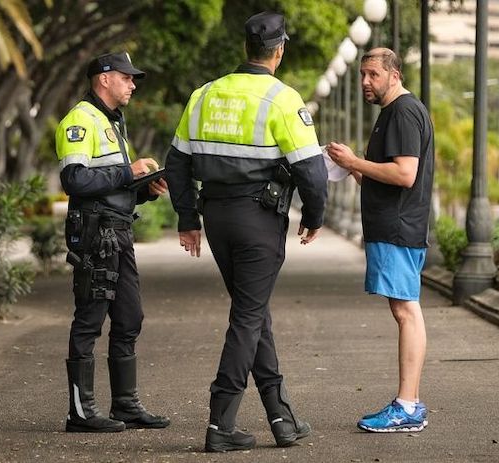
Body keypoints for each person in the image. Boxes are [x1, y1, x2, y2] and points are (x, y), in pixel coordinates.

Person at [164, 12, 328, 452]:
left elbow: (176, 162)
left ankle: (282, 418)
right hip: (259, 220)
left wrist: (186, 218)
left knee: (254, 313)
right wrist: (314, 216)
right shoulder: (282, 98)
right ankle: (220, 424)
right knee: (248, 317)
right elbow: (311, 171)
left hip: (216, 217)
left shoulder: (204, 95)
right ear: (279, 51)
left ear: (245, 49)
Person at [56, 51, 170, 433]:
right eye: (127, 78)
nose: (133, 84)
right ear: (104, 79)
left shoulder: (113, 123)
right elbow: (74, 181)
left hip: (118, 229)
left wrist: (145, 189)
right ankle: (80, 413)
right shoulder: (80, 120)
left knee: (129, 316)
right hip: (94, 233)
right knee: (89, 318)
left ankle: (125, 405)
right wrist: (127, 172)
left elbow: (114, 188)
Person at [326, 47, 434, 433]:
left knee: (406, 311)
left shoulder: (403, 112)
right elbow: (383, 178)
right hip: (394, 226)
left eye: (373, 74)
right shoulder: (393, 114)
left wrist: (355, 161)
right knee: (405, 310)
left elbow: (405, 174)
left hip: (398, 228)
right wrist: (349, 166)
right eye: (362, 75)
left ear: (395, 74)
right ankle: (411, 404)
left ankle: (407, 406)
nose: (365, 82)